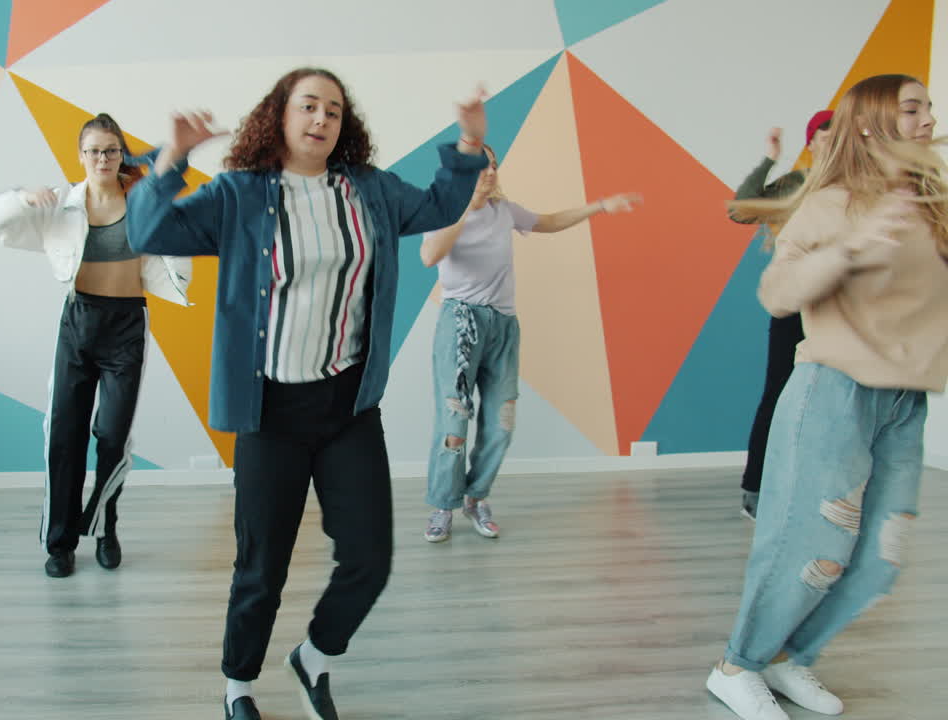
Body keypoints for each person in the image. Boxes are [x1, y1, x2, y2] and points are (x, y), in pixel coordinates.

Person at [126, 67, 488, 720]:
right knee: (262, 568)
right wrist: (173, 158)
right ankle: (238, 685)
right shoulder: (238, 194)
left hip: (348, 407)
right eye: (308, 106)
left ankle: (315, 658)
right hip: (270, 413)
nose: (322, 119)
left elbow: (438, 206)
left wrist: (467, 145)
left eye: (334, 110)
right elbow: (149, 233)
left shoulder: (370, 191)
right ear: (280, 116)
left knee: (370, 561)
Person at [707, 74, 946, 720]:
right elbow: (777, 293)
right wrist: (853, 248)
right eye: (913, 108)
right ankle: (737, 664)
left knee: (880, 562)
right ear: (870, 124)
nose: (929, 118)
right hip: (834, 392)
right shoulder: (829, 203)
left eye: (929, 108)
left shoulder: (930, 203)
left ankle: (786, 657)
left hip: (905, 402)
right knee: (813, 550)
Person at [0, 113, 190, 578]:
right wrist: (22, 198)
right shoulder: (62, 206)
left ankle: (104, 525)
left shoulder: (141, 202)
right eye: (93, 151)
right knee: (64, 437)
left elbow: (174, 193)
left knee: (113, 439)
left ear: (121, 156)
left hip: (126, 326)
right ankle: (60, 544)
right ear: (81, 156)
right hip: (78, 324)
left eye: (110, 151)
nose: (102, 158)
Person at [420, 143, 641, 542]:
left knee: (501, 424)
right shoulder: (443, 209)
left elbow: (551, 222)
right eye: (479, 167)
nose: (489, 173)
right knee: (454, 421)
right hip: (461, 321)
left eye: (492, 166)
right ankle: (443, 504)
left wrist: (602, 206)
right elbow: (429, 255)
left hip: (503, 325)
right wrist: (462, 205)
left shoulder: (504, 212)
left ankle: (476, 498)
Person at [730, 110, 833, 520]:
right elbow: (740, 210)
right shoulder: (796, 183)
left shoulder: (860, 185)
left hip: (839, 308)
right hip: (795, 304)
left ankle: (816, 490)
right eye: (828, 134)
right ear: (813, 142)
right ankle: (755, 489)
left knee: (833, 401)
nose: (838, 140)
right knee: (779, 394)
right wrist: (770, 159)